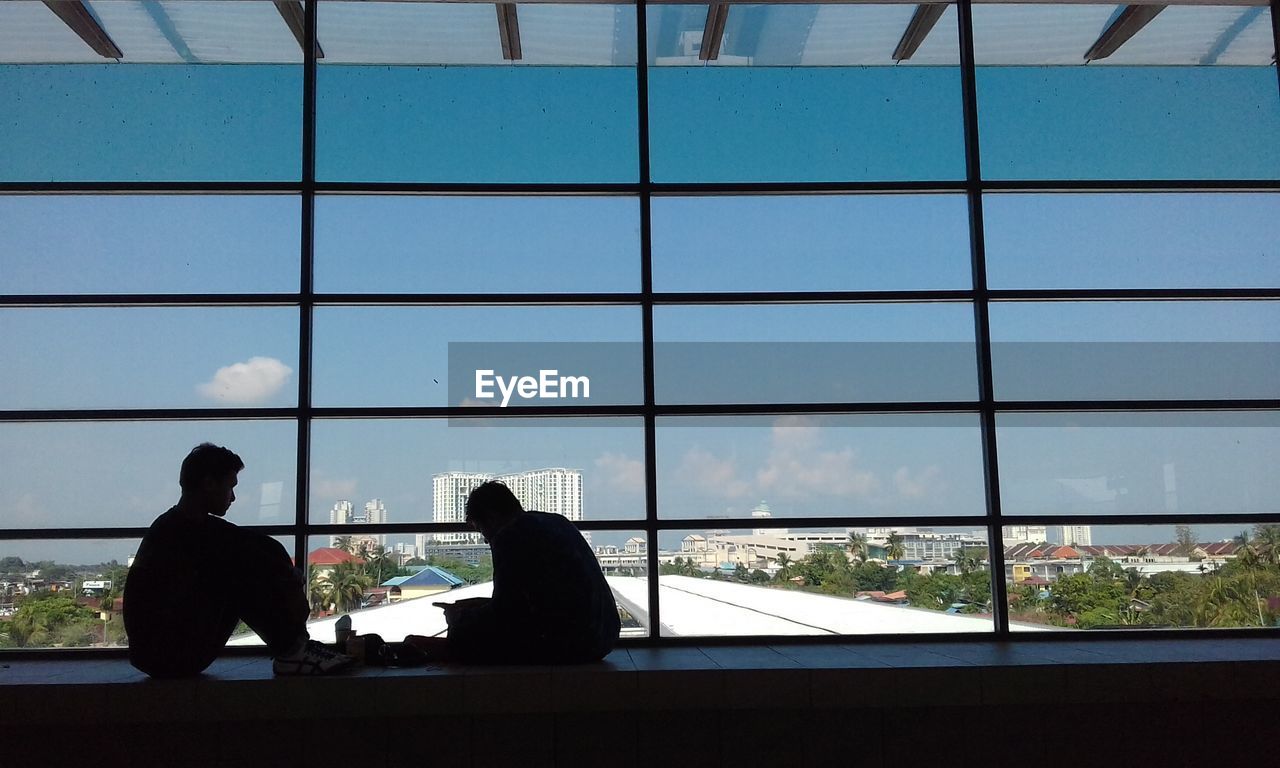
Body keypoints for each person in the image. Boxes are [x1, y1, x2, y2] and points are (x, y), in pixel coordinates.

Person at [124, 443, 353, 677]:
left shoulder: (182, 528)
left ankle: (293, 649)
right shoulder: (178, 536)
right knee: (237, 574)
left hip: (161, 651)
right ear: (209, 484)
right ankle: (291, 651)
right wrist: (286, 579)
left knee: (252, 557)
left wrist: (283, 573)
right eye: (230, 487)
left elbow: (264, 548)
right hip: (166, 654)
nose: (233, 497)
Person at [415, 481, 620, 664]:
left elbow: (507, 614)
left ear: (492, 517)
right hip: (603, 637)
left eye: (480, 528)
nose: (486, 539)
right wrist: (480, 605)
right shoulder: (556, 521)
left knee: (465, 636)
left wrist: (461, 618)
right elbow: (534, 600)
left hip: (571, 645)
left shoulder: (510, 535)